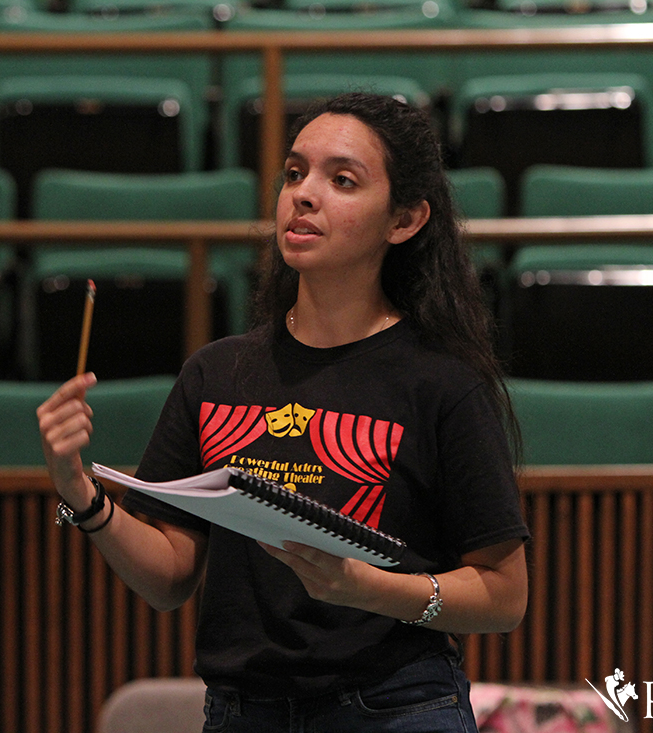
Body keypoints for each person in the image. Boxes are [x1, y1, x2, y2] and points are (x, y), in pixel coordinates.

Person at [38, 92, 529, 733]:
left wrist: (372, 589)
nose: (303, 194)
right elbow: (168, 579)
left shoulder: (442, 383)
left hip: (394, 707)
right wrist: (82, 493)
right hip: (242, 711)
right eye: (295, 173)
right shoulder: (217, 372)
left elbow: (504, 595)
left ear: (404, 220)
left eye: (341, 180)